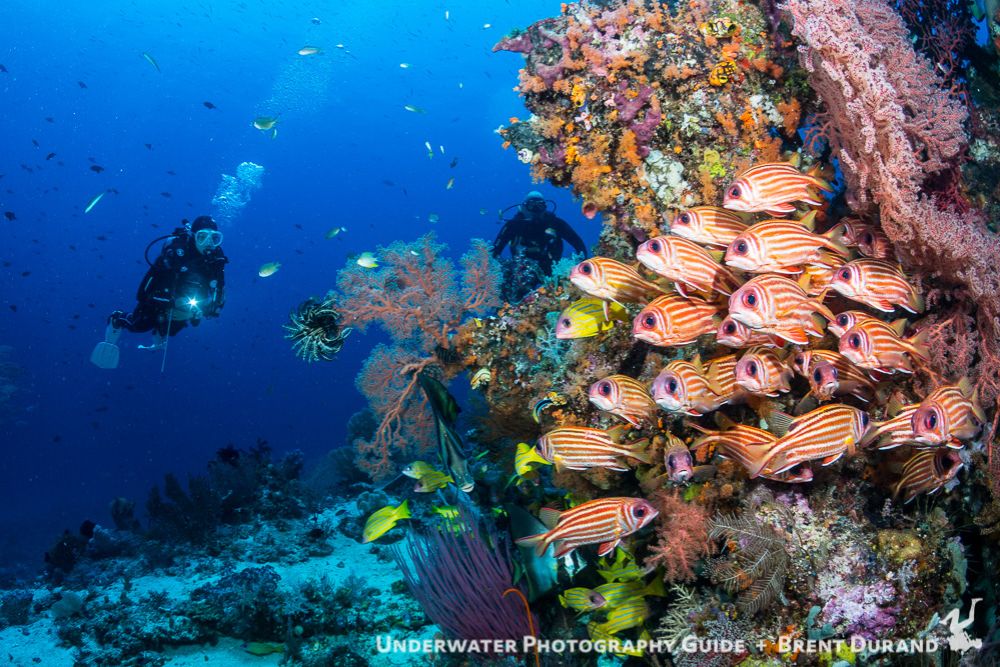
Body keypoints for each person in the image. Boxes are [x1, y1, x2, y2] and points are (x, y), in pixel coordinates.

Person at [93, 216, 228, 367]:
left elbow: (219, 291)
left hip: (185, 307)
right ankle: (117, 319)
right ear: (193, 236)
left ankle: (161, 330)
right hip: (159, 301)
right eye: (202, 236)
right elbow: (142, 294)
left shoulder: (216, 261)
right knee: (139, 325)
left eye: (215, 238)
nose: (209, 243)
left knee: (172, 330)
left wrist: (208, 308)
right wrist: (172, 302)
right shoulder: (174, 256)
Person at [492, 191, 587, 300]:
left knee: (561, 296)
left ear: (545, 207)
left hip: (551, 269)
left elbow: (578, 243)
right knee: (513, 297)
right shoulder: (513, 225)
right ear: (524, 207)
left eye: (540, 205)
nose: (535, 210)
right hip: (521, 271)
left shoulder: (555, 223)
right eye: (531, 205)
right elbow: (495, 251)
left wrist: (584, 267)